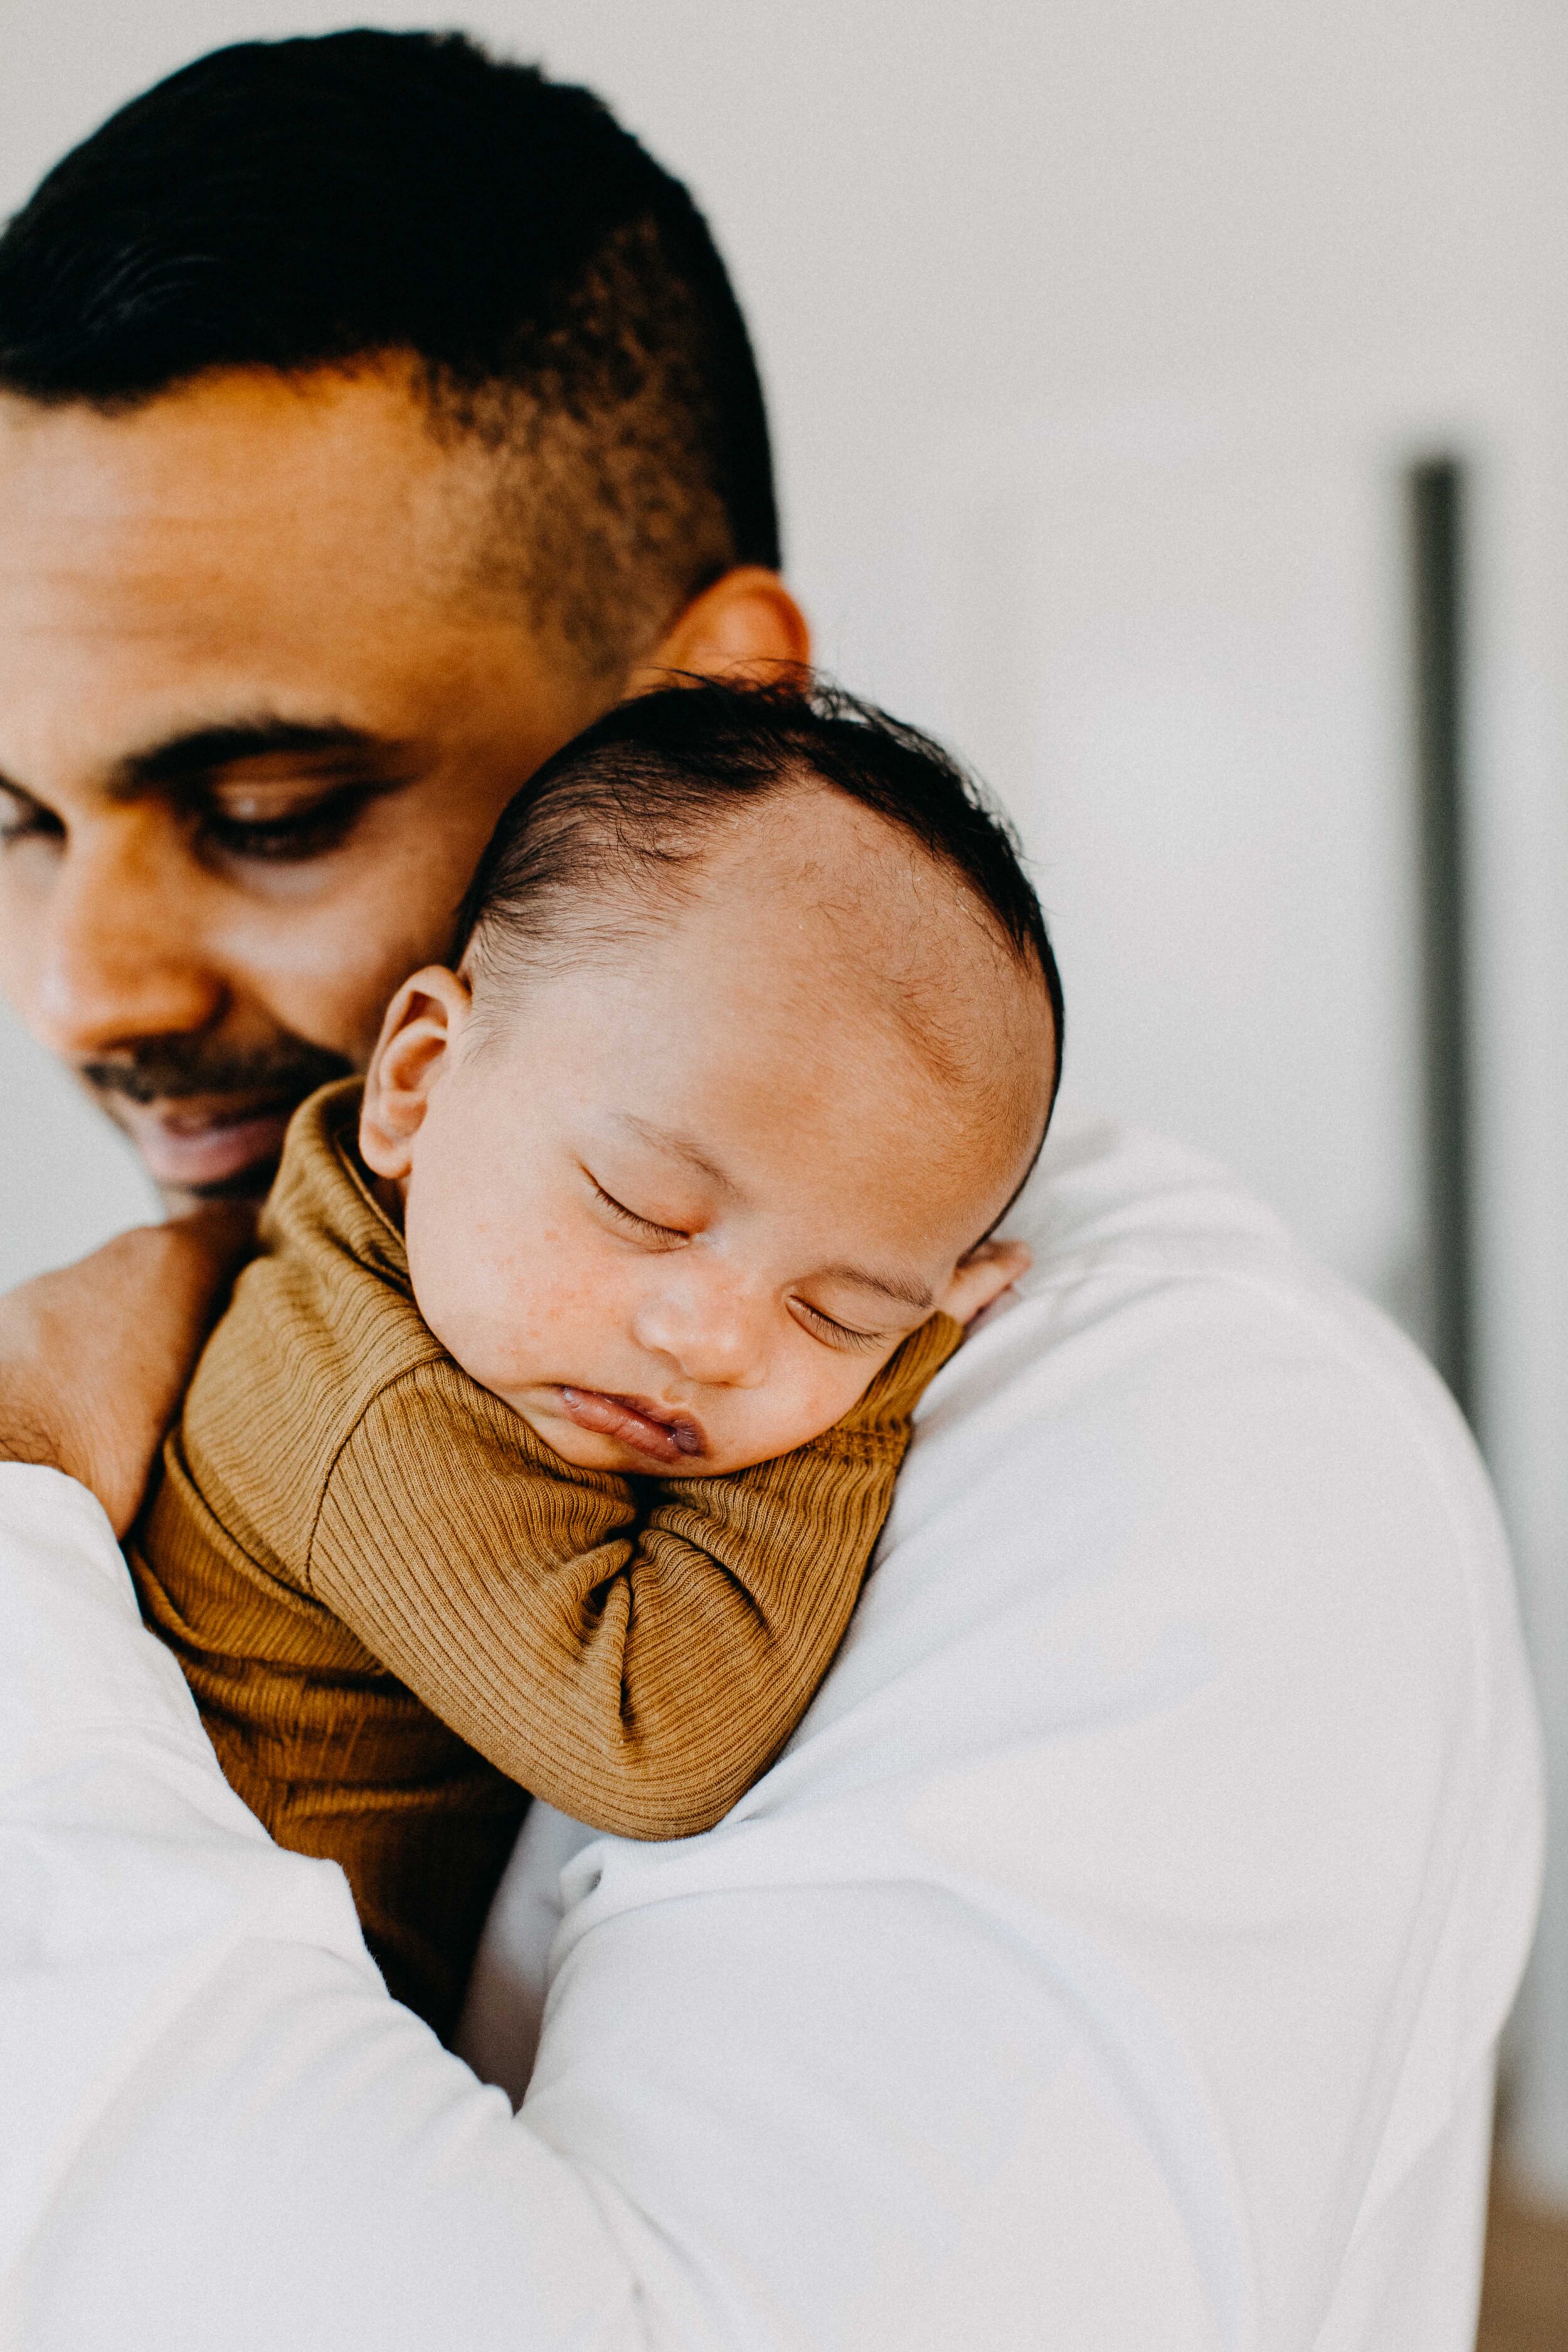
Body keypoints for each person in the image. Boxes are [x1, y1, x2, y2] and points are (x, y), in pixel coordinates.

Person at [0, 31, 1544, 2350]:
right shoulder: (316, 1323)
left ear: (699, 703)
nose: (85, 989)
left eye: (274, 807)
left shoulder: (1173, 1446)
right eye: (14, 828)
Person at [128, 679, 1056, 2037]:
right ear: (419, 1081)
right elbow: (649, 1741)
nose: (713, 1340)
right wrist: (881, 1390)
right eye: (642, 1207)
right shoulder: (366, 1404)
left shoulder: (481, 1308)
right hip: (197, 2044)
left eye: (842, 1313)